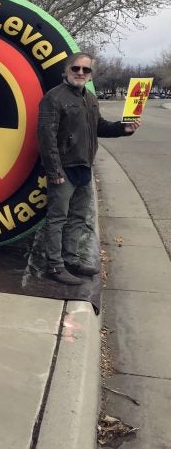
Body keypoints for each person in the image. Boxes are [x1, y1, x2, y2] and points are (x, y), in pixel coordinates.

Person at [36, 52, 140, 285]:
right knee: (57, 219)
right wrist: (54, 171)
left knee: (78, 217)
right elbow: (46, 138)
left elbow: (98, 127)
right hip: (63, 170)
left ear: (91, 73)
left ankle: (71, 259)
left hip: (84, 167)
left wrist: (124, 128)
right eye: (76, 68)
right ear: (66, 71)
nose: (81, 73)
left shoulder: (90, 98)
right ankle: (54, 265)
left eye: (86, 70)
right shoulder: (53, 98)